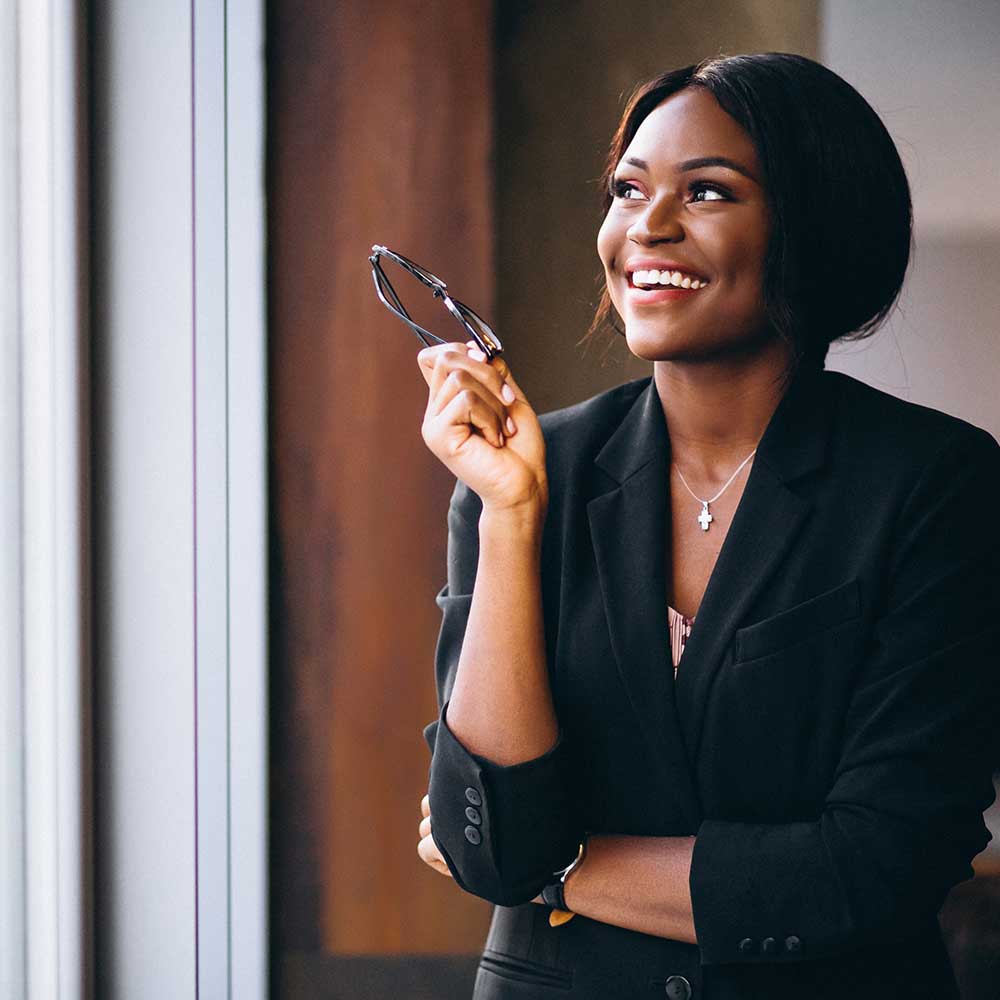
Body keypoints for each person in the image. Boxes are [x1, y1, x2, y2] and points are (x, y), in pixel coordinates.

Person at [413, 52, 1000, 1000]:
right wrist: (512, 519)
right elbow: (488, 834)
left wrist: (558, 869)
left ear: (811, 224)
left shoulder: (937, 484)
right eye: (627, 189)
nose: (647, 225)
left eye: (709, 191)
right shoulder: (526, 478)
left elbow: (876, 864)